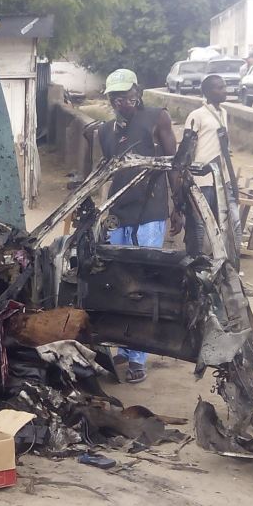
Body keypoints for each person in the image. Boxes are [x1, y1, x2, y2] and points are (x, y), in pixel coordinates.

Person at [98, 69, 178, 384]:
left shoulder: (158, 117)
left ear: (137, 92)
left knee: (143, 283)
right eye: (114, 96)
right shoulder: (105, 130)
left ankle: (138, 358)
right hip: (120, 211)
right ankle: (123, 346)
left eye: (126, 95)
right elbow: (109, 171)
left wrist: (179, 206)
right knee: (117, 280)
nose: (121, 101)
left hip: (151, 210)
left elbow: (175, 163)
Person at [183, 74, 242, 255]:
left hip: (221, 179)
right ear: (208, 92)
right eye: (220, 87)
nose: (225, 91)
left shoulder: (223, 113)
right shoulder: (197, 115)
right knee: (200, 225)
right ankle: (197, 265)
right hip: (203, 181)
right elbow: (186, 150)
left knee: (233, 222)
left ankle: (231, 263)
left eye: (224, 87)